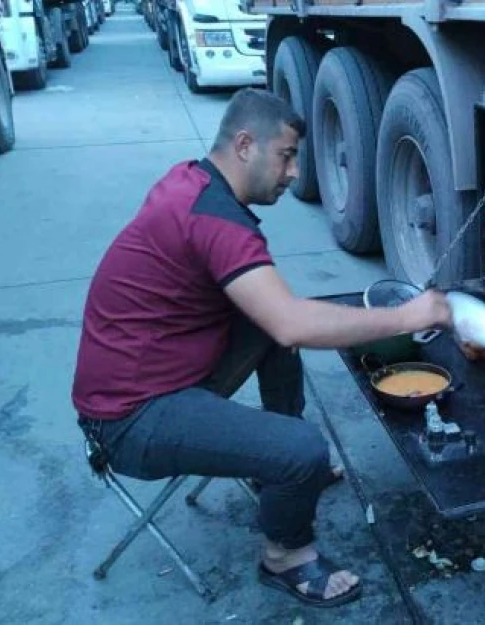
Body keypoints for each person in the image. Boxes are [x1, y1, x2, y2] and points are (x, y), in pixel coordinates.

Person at [72, 88, 451, 607]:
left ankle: (272, 458)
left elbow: (279, 320)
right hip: (129, 418)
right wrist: (408, 315)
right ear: (246, 144)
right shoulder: (214, 218)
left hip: (156, 376)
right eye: (287, 155)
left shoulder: (196, 183)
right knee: (303, 443)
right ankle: (285, 555)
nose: (294, 172)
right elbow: (294, 323)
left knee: (267, 326)